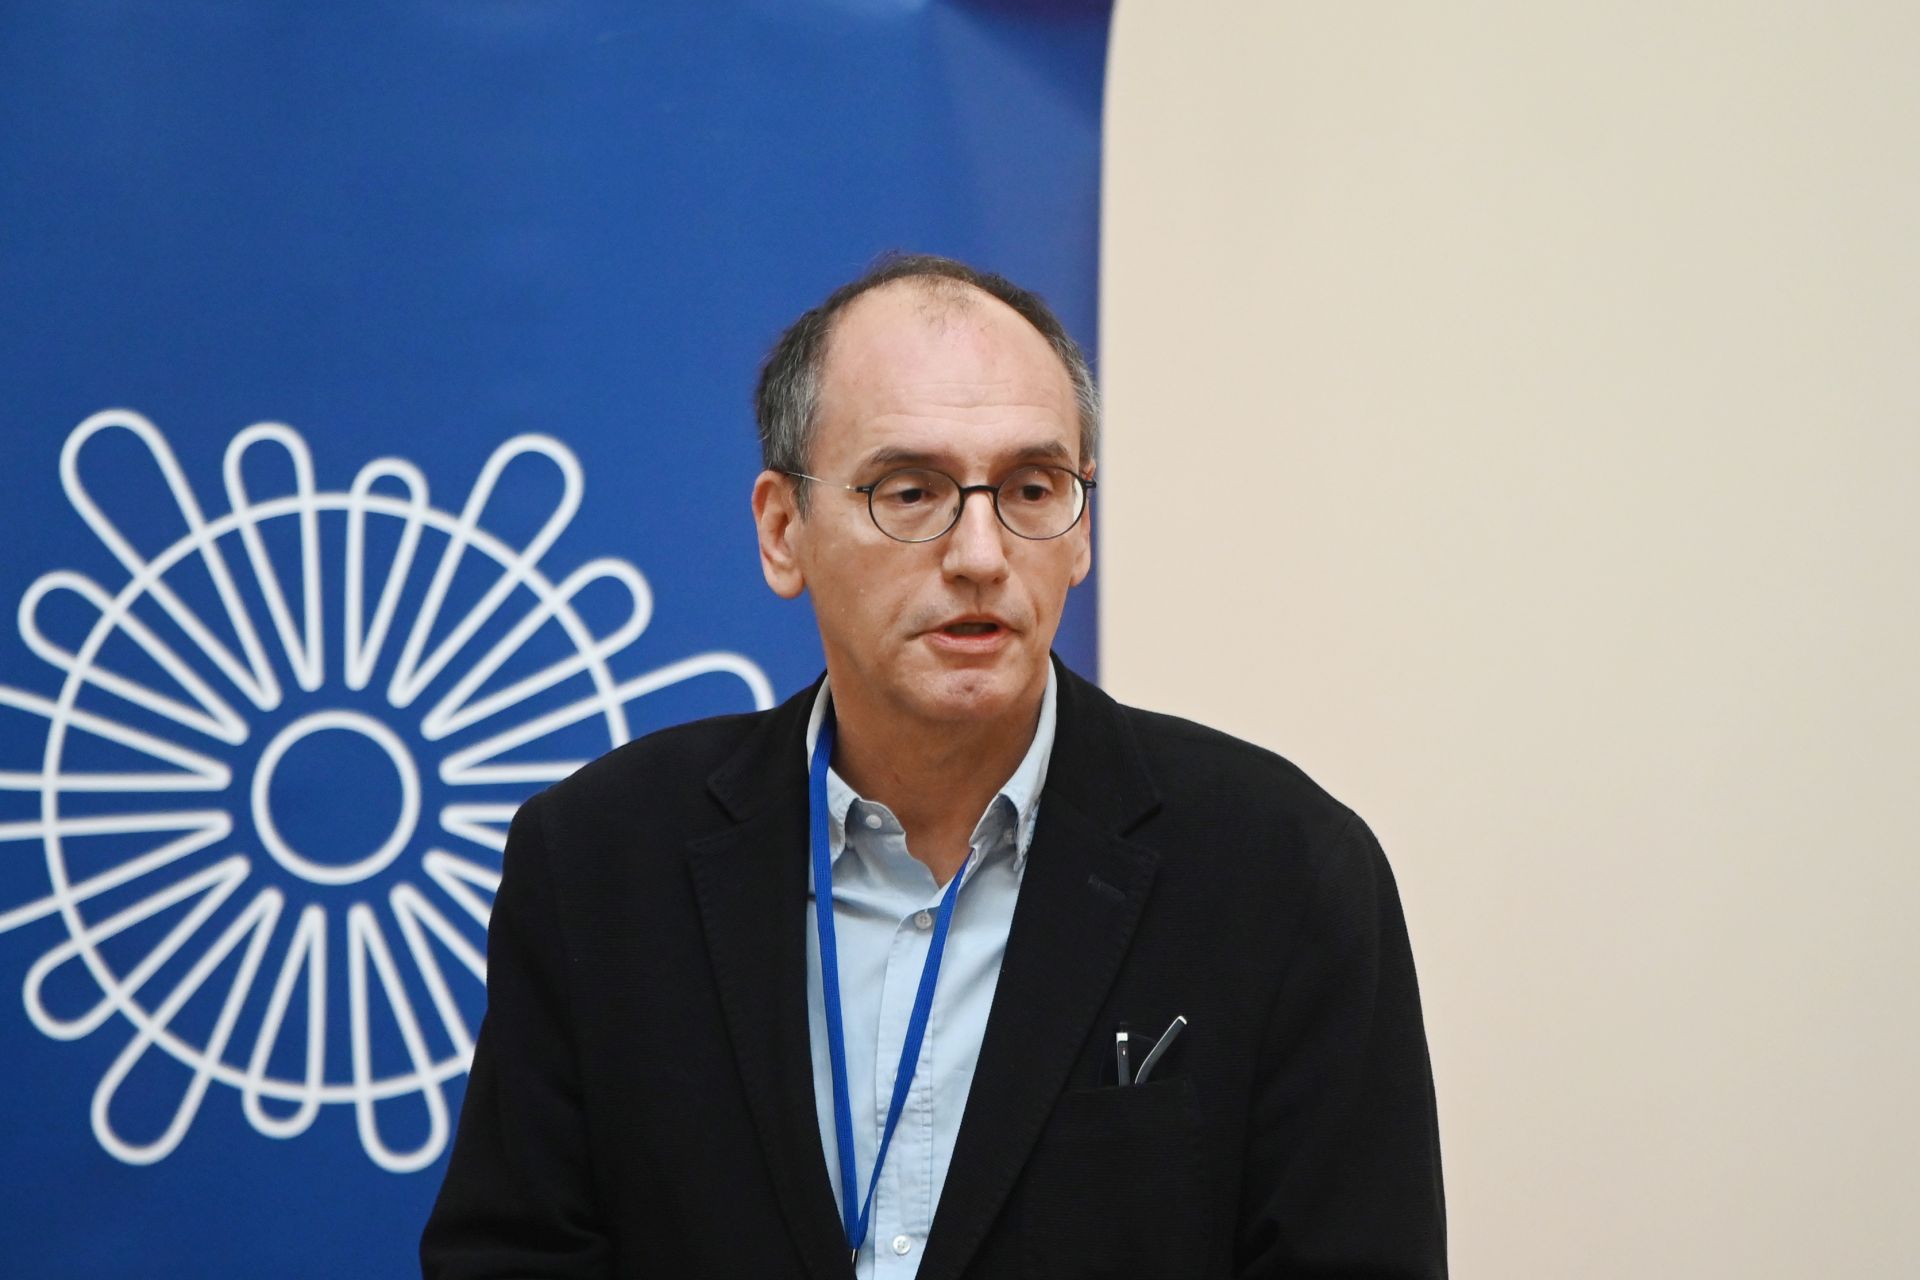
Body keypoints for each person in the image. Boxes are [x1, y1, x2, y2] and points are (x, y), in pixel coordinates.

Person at [420, 254, 1446, 1279]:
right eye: (910, 491)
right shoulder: (599, 861)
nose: (981, 554)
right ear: (782, 530)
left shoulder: (1282, 871)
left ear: (1081, 531)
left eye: (1032, 488)